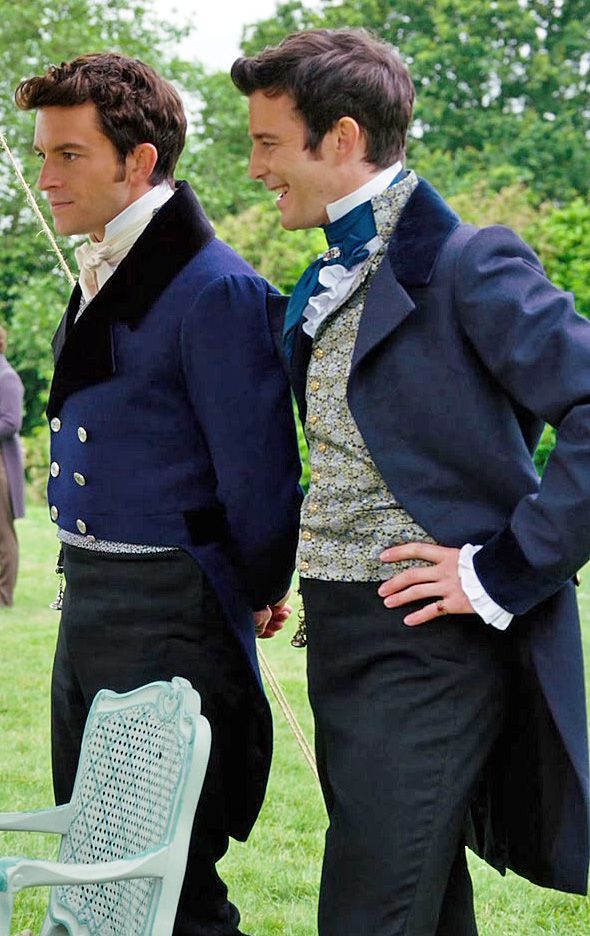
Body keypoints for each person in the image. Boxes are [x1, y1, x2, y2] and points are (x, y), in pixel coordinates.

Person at [231, 27, 590, 936]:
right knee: (423, 909)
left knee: (367, 913)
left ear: (342, 139)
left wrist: (497, 573)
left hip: (430, 648)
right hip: (343, 638)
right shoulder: (324, 273)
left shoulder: (469, 262)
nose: (255, 167)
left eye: (269, 142)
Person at [15, 52, 301, 936]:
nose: (45, 176)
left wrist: (252, 589)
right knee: (104, 871)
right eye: (42, 154)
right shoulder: (111, 263)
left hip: (170, 615)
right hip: (95, 604)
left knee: (170, 883)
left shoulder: (214, 287)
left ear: (137, 162)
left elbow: (260, 475)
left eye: (68, 155)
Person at [0, 326, 24, 606]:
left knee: (4, 535)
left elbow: (10, 422)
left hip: (3, 467)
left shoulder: (7, 378)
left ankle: (4, 597)